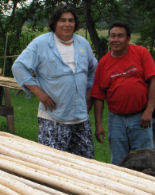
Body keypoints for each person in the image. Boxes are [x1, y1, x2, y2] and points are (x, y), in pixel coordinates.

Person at [12, 5, 97, 159]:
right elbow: (19, 67)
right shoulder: (41, 43)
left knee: (85, 164)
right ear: (54, 23)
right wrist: (38, 92)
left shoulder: (83, 44)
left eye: (71, 20)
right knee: (52, 164)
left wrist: (89, 93)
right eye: (62, 20)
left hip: (80, 118)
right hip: (53, 117)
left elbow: (93, 69)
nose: (67, 24)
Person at [91, 21, 155, 165]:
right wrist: (99, 124)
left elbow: (153, 81)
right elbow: (99, 96)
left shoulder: (141, 53)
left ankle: (146, 187)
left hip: (141, 117)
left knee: (146, 160)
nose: (115, 40)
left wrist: (149, 110)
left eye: (120, 36)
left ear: (128, 39)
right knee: (118, 162)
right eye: (112, 36)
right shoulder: (104, 63)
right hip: (116, 120)